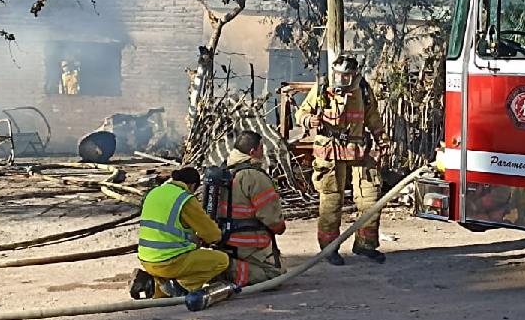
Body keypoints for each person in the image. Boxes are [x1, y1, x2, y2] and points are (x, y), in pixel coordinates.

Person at [294, 55, 386, 265]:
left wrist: (382, 140)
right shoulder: (321, 89)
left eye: (346, 76)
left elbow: (373, 117)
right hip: (330, 151)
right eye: (339, 75)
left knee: (370, 199)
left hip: (358, 150)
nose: (342, 80)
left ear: (354, 75)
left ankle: (366, 245)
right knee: (331, 202)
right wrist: (310, 119)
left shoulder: (362, 89)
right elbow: (302, 113)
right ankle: (329, 249)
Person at [130, 167, 228, 299]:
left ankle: (153, 284)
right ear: (193, 185)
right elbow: (213, 235)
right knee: (222, 260)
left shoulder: (154, 192)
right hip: (168, 262)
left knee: (181, 260)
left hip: (146, 259)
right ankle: (180, 287)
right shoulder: (184, 199)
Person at [219, 131, 287, 288]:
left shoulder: (224, 171)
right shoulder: (254, 176)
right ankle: (226, 271)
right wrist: (280, 226)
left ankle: (222, 263)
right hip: (248, 246)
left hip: (224, 241)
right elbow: (274, 222)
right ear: (252, 152)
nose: (263, 152)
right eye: (261, 148)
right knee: (275, 276)